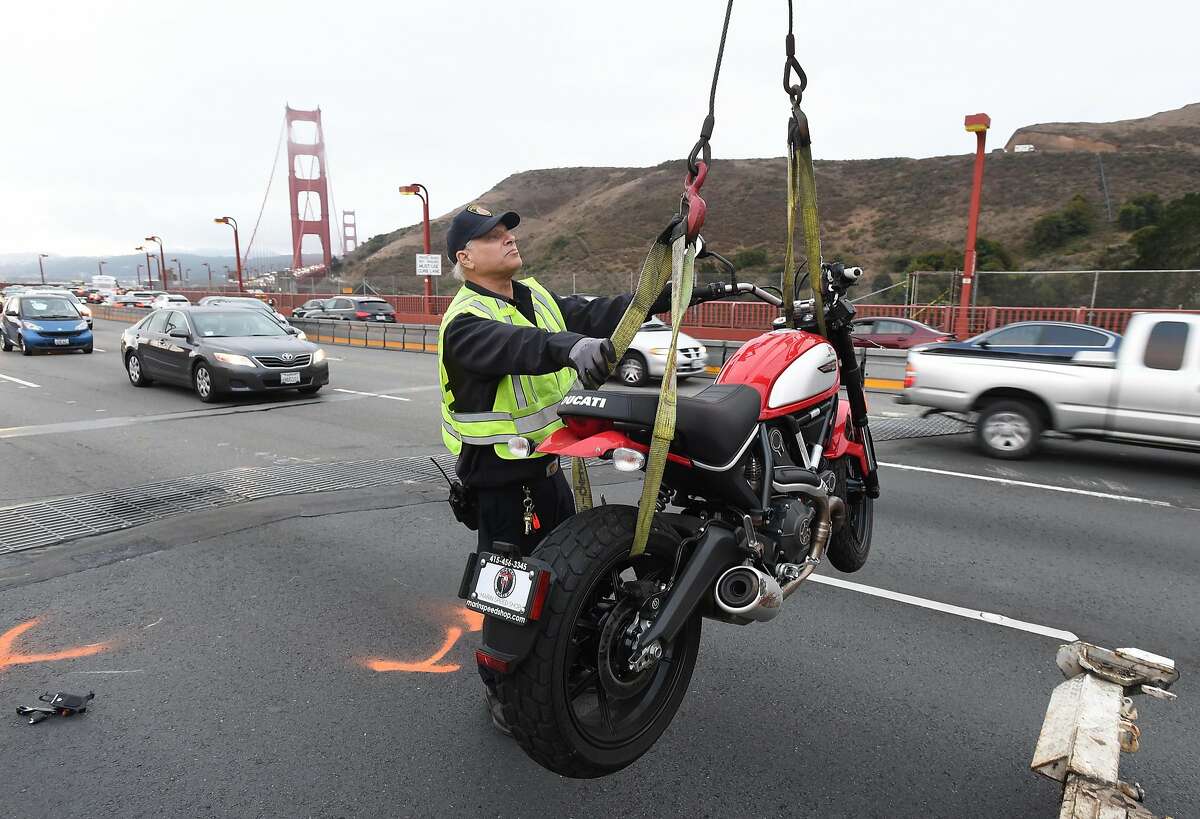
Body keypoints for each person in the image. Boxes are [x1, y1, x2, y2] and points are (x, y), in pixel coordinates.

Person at [437, 203, 676, 734]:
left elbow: (602, 311)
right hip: (500, 482)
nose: (508, 240)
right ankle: (503, 692)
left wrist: (675, 285)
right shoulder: (465, 322)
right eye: (493, 236)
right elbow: (522, 346)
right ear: (466, 258)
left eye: (509, 232)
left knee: (567, 579)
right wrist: (573, 348)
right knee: (510, 593)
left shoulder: (535, 297)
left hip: (548, 472)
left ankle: (564, 669)